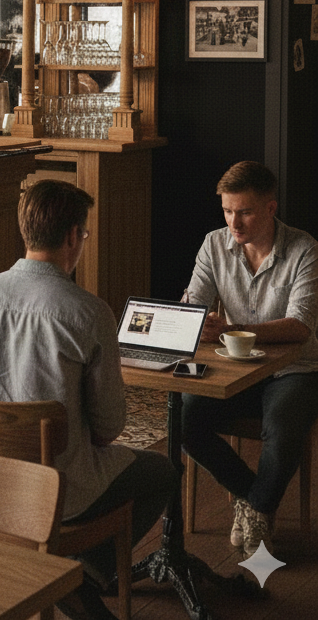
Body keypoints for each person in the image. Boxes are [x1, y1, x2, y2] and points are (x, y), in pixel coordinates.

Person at [0, 180, 177, 620]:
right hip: (52, 492)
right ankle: (80, 571)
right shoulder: (88, 312)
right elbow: (108, 428)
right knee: (163, 471)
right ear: (74, 236)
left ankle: (67, 574)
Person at [181, 161, 318, 557]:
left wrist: (231, 328)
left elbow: (299, 327)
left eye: (244, 212)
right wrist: (193, 317)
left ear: (271, 208)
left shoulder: (304, 249)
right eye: (227, 211)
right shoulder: (214, 244)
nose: (233, 223)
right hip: (235, 367)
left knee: (284, 429)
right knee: (185, 417)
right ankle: (255, 501)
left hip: (294, 369)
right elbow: (194, 302)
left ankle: (255, 508)